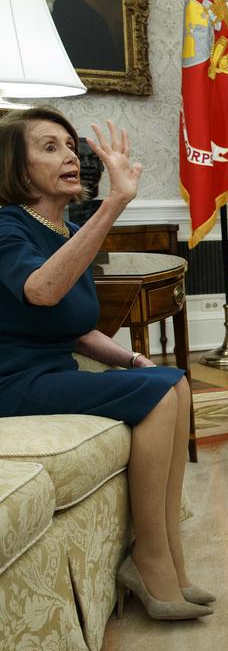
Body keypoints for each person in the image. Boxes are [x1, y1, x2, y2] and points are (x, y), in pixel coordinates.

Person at [0, 108, 211, 620]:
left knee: (174, 380)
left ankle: (171, 558)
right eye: (49, 147)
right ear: (15, 167)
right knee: (159, 392)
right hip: (13, 382)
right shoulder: (6, 226)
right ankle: (151, 561)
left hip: (51, 373)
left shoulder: (65, 226)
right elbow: (42, 291)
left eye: (71, 145)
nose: (71, 155)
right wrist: (114, 202)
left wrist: (134, 358)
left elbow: (76, 329)